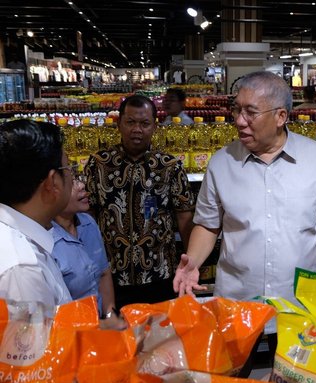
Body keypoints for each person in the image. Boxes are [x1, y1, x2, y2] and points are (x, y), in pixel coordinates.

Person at [173, 71, 316, 370]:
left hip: (298, 304)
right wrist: (193, 260)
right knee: (232, 378)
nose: (239, 120)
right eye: (236, 109)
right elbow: (208, 225)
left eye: (251, 112)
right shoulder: (221, 163)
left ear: (281, 116)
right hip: (237, 300)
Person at [85, 95, 195, 309]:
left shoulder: (169, 166)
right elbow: (89, 214)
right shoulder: (99, 164)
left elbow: (184, 217)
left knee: (160, 337)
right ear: (119, 124)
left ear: (155, 126)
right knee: (117, 339)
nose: (137, 129)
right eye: (130, 122)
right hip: (111, 275)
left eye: (144, 123)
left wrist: (190, 264)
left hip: (161, 274)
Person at [0, 119, 72, 308]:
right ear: (52, 183)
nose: (73, 177)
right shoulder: (22, 269)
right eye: (68, 168)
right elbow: (39, 338)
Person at [51, 172, 126, 329]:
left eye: (79, 179)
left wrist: (109, 316)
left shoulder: (88, 223)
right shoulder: (47, 240)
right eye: (72, 183)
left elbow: (104, 274)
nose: (82, 186)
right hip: (71, 331)